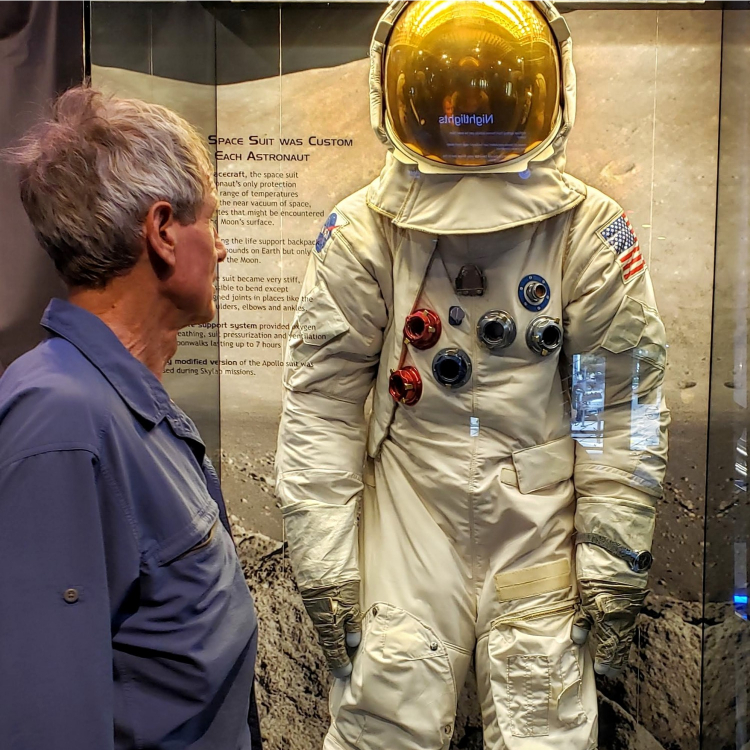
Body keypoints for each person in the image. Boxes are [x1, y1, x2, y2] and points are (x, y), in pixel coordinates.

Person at [275, 2, 669, 749]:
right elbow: (322, 407)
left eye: (492, 98)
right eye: (450, 99)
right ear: (405, 101)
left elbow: (614, 409)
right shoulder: (366, 232)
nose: (470, 117)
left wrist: (613, 560)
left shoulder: (585, 232)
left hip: (535, 522)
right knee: (385, 720)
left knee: (542, 723)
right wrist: (327, 569)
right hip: (409, 512)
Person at [0, 87, 260, 750]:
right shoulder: (61, 425)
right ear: (165, 230)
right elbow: (46, 724)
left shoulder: (125, 406)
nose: (222, 249)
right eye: (213, 221)